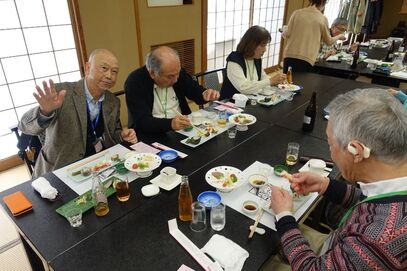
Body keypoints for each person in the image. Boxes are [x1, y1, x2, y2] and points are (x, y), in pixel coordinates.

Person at [267, 88, 407, 270]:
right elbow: (373, 203)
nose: (330, 152)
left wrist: (284, 216)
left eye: (330, 143)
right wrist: (325, 185)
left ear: (356, 150)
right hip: (339, 247)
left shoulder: (379, 239)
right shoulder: (394, 182)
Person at [19, 49, 137, 178]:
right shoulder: (61, 93)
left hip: (97, 166)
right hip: (60, 169)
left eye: (114, 71)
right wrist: (44, 112)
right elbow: (24, 126)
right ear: (87, 68)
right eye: (104, 68)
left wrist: (122, 135)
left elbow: (112, 133)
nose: (109, 75)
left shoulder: (112, 101)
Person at [125, 46, 219, 134]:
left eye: (177, 74)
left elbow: (193, 89)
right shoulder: (135, 81)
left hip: (182, 129)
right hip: (151, 135)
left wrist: (205, 93)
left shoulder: (176, 72)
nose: (176, 79)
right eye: (170, 76)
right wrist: (170, 124)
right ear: (153, 73)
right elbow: (142, 121)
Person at [220, 25, 286, 100]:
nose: (265, 50)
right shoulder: (234, 60)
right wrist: (270, 81)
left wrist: (276, 80)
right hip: (231, 103)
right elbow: (243, 87)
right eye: (262, 45)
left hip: (250, 100)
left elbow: (263, 77)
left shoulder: (256, 58)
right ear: (251, 44)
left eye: (266, 45)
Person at [282, 0, 346, 73]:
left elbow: (287, 34)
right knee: (300, 83)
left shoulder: (296, 13)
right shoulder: (322, 18)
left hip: (289, 55)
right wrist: (340, 36)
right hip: (306, 58)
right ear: (323, 2)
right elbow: (329, 41)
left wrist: (284, 28)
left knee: (286, 82)